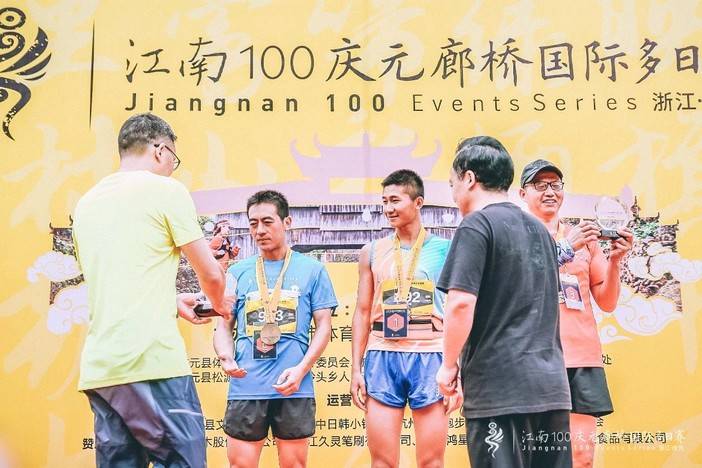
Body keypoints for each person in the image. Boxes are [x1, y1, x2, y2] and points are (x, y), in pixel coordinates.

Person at [72, 113, 232, 467]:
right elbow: (211, 274)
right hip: (151, 363)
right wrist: (220, 303)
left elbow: (115, 281)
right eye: (174, 158)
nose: (173, 167)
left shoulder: (86, 204)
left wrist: (172, 302)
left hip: (102, 369)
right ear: (160, 151)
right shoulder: (166, 190)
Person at [435, 136, 573, 467]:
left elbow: (460, 304)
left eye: (453, 184)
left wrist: (448, 365)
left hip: (500, 390)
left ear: (469, 179)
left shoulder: (476, 225)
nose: (453, 194)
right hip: (551, 391)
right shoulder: (540, 230)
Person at [519, 159, 633, 468]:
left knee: (582, 457)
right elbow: (516, 287)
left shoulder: (585, 239)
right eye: (540, 185)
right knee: (535, 455)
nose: (549, 191)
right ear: (523, 193)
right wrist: (564, 247)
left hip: (581, 358)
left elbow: (607, 301)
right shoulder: (515, 237)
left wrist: (615, 260)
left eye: (555, 185)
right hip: (532, 358)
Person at [213, 190, 337, 468]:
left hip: (294, 387)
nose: (259, 230)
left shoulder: (313, 270)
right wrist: (225, 356)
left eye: (267, 222)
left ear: (287, 222)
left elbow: (324, 327)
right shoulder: (236, 272)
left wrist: (301, 369)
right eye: (253, 223)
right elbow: (223, 325)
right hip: (246, 387)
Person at [350, 169, 462, 468]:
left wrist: (457, 368)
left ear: (418, 202)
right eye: (384, 201)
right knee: (382, 461)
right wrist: (356, 369)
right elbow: (362, 311)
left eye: (395, 200)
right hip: (382, 355)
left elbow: (458, 310)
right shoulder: (372, 252)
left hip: (431, 357)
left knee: (431, 461)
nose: (388, 208)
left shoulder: (446, 249)